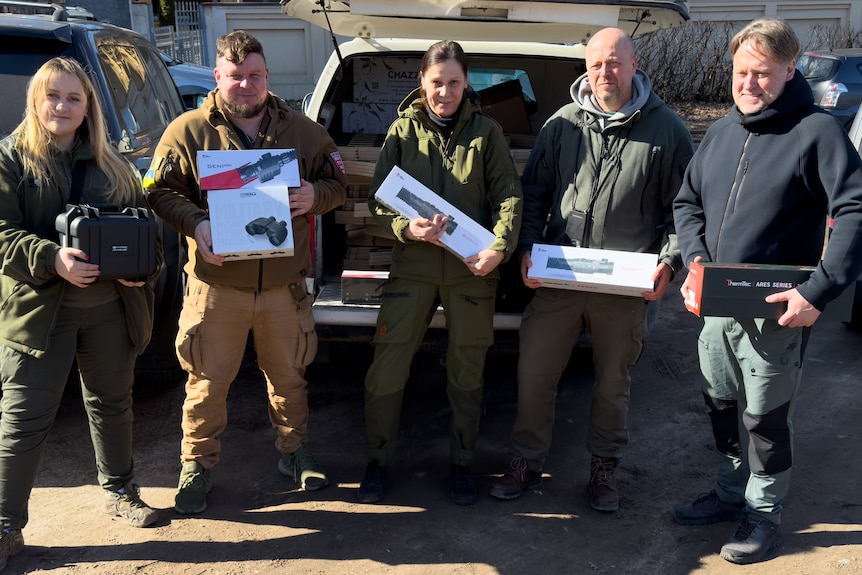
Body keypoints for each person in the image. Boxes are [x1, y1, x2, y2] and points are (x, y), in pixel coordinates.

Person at [672, 18, 862, 565]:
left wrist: (818, 291)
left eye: (762, 73)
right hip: (715, 307)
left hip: (778, 310)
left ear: (789, 70)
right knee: (721, 406)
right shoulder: (725, 132)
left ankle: (763, 515)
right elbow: (687, 203)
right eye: (740, 72)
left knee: (764, 419)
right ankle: (729, 493)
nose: (749, 84)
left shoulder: (817, 131)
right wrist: (696, 260)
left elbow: (854, 210)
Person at [488, 27, 694, 512]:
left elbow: (683, 209)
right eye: (597, 62)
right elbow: (533, 194)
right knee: (535, 372)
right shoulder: (561, 125)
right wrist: (529, 250)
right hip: (559, 278)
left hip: (624, 288)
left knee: (612, 383)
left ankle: (604, 469)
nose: (606, 71)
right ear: (586, 66)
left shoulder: (667, 131)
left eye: (615, 62)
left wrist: (668, 262)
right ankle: (526, 460)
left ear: (635, 65)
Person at [144, 30, 347, 515]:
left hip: (282, 287)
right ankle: (196, 464)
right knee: (206, 382)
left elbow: (338, 182)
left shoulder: (302, 132)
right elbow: (157, 188)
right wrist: (197, 223)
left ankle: (295, 453)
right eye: (235, 76)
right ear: (218, 77)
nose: (246, 85)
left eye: (255, 75)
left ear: (267, 76)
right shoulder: (188, 131)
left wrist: (312, 197)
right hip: (216, 288)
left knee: (289, 377)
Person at [0, 56, 161, 572]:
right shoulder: (11, 160)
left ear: (88, 105)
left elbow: (145, 228)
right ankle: (6, 526)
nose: (63, 106)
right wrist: (52, 258)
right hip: (38, 314)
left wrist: (143, 268)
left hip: (110, 309)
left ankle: (120, 490)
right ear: (36, 99)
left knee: (112, 403)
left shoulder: (112, 164)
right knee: (23, 419)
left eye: (74, 97)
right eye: (53, 96)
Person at [357, 40, 522, 506]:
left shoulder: (487, 133)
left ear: (466, 83)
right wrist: (405, 228)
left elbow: (508, 195)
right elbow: (377, 199)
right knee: (386, 368)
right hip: (413, 269)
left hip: (471, 271)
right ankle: (376, 461)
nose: (445, 92)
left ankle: (462, 465)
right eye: (436, 83)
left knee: (467, 374)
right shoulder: (402, 132)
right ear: (421, 83)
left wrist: (499, 248)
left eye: (453, 82)